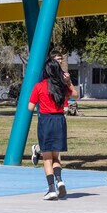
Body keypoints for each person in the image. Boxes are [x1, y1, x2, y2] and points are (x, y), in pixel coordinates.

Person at [28, 58, 78, 201]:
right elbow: (75, 95)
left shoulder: (39, 86)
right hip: (60, 121)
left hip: (45, 121)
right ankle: (60, 181)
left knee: (47, 158)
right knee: (56, 157)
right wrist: (68, 82)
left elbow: (30, 107)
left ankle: (51, 189)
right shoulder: (62, 86)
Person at [31, 50, 67, 165]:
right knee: (49, 147)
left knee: (54, 145)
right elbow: (44, 90)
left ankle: (56, 171)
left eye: (61, 59)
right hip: (47, 113)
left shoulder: (63, 75)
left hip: (58, 112)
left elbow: (65, 93)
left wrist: (65, 105)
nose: (60, 61)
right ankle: (55, 171)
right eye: (58, 59)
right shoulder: (45, 76)